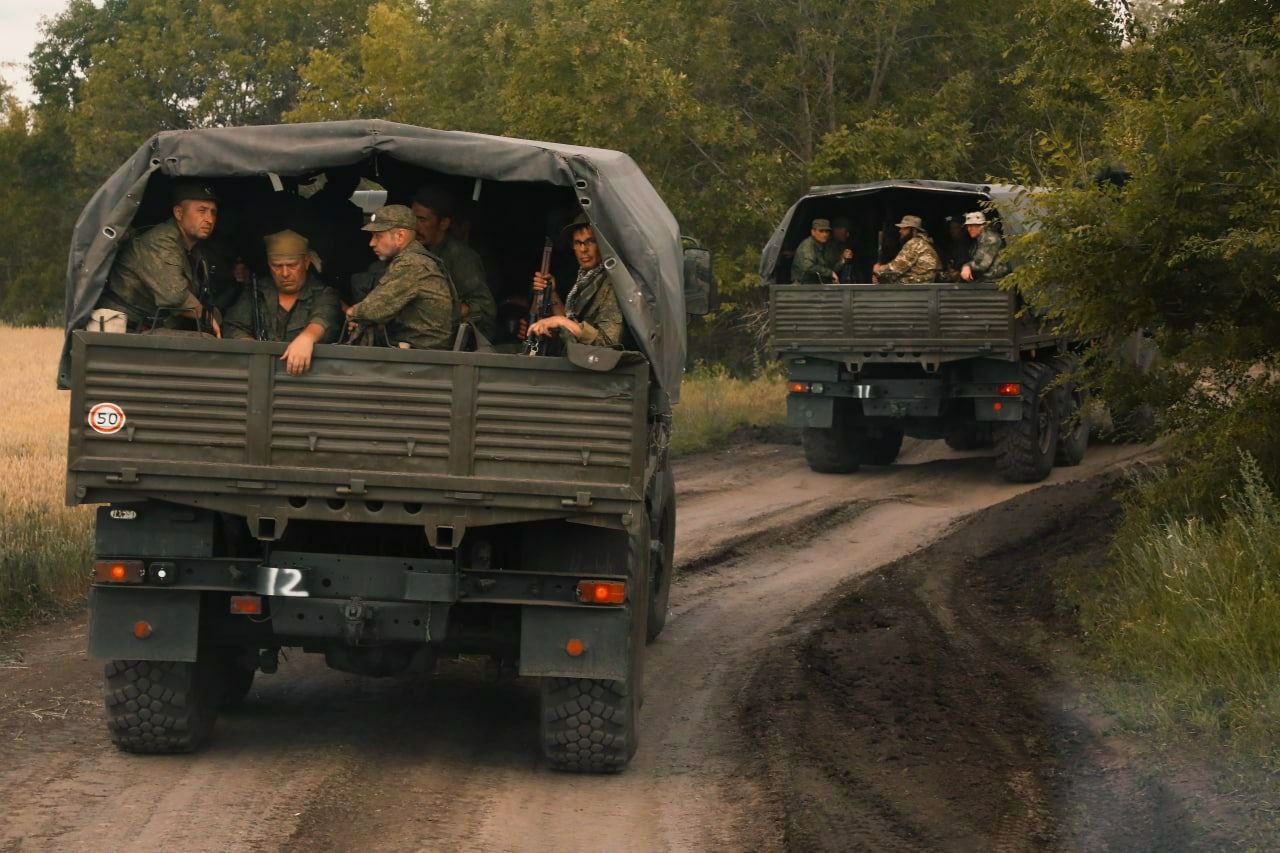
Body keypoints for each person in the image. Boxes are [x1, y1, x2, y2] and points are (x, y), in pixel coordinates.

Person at [90, 182, 222, 335]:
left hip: (144, 329)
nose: (209, 219)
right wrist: (207, 316)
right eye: (202, 211)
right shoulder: (159, 242)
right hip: (121, 329)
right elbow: (174, 297)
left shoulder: (192, 250)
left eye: (213, 212)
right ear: (179, 213)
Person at [222, 230, 343, 375]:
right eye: (277, 266)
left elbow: (324, 317)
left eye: (292, 265)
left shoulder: (324, 293)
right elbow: (232, 325)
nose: (285, 273)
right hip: (259, 374)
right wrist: (251, 345)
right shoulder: (256, 291)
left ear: (306, 262)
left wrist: (306, 339)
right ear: (269, 264)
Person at [345, 205, 459, 350]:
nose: (371, 243)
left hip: (420, 357)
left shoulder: (411, 264)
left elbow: (374, 309)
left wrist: (353, 312)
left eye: (378, 236)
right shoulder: (413, 260)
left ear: (400, 236)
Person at [411, 186, 497, 339]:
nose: (415, 226)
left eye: (422, 220)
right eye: (413, 219)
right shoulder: (415, 251)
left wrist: (442, 309)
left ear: (443, 223)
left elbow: (485, 308)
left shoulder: (460, 257)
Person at [526, 214, 623, 348]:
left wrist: (560, 321)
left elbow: (608, 343)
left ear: (602, 245)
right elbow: (571, 328)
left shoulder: (612, 283)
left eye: (590, 241)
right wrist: (551, 292)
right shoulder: (583, 279)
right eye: (578, 243)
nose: (583, 249)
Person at [873, 215, 940, 284]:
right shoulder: (923, 242)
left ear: (913, 230)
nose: (900, 231)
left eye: (904, 228)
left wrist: (879, 269)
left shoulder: (914, 243)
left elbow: (896, 268)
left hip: (916, 287)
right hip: (922, 286)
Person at [960, 211, 1011, 282]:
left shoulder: (991, 239)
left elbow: (982, 264)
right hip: (988, 281)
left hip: (998, 283)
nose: (969, 229)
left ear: (982, 226)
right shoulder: (978, 240)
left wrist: (967, 266)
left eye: (972, 225)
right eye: (967, 226)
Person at [790, 218, 840, 284]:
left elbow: (831, 267)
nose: (825, 234)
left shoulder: (826, 246)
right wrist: (830, 273)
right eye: (821, 231)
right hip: (803, 286)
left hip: (816, 285)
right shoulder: (808, 244)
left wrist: (842, 260)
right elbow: (808, 266)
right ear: (813, 232)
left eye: (827, 231)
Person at [941, 215, 973, 282]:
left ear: (962, 229)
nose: (952, 231)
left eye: (955, 228)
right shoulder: (952, 245)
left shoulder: (970, 244)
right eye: (951, 228)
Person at [830, 217, 858, 282]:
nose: (847, 235)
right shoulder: (828, 247)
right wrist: (842, 259)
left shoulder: (843, 245)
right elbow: (829, 270)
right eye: (845, 232)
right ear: (836, 230)